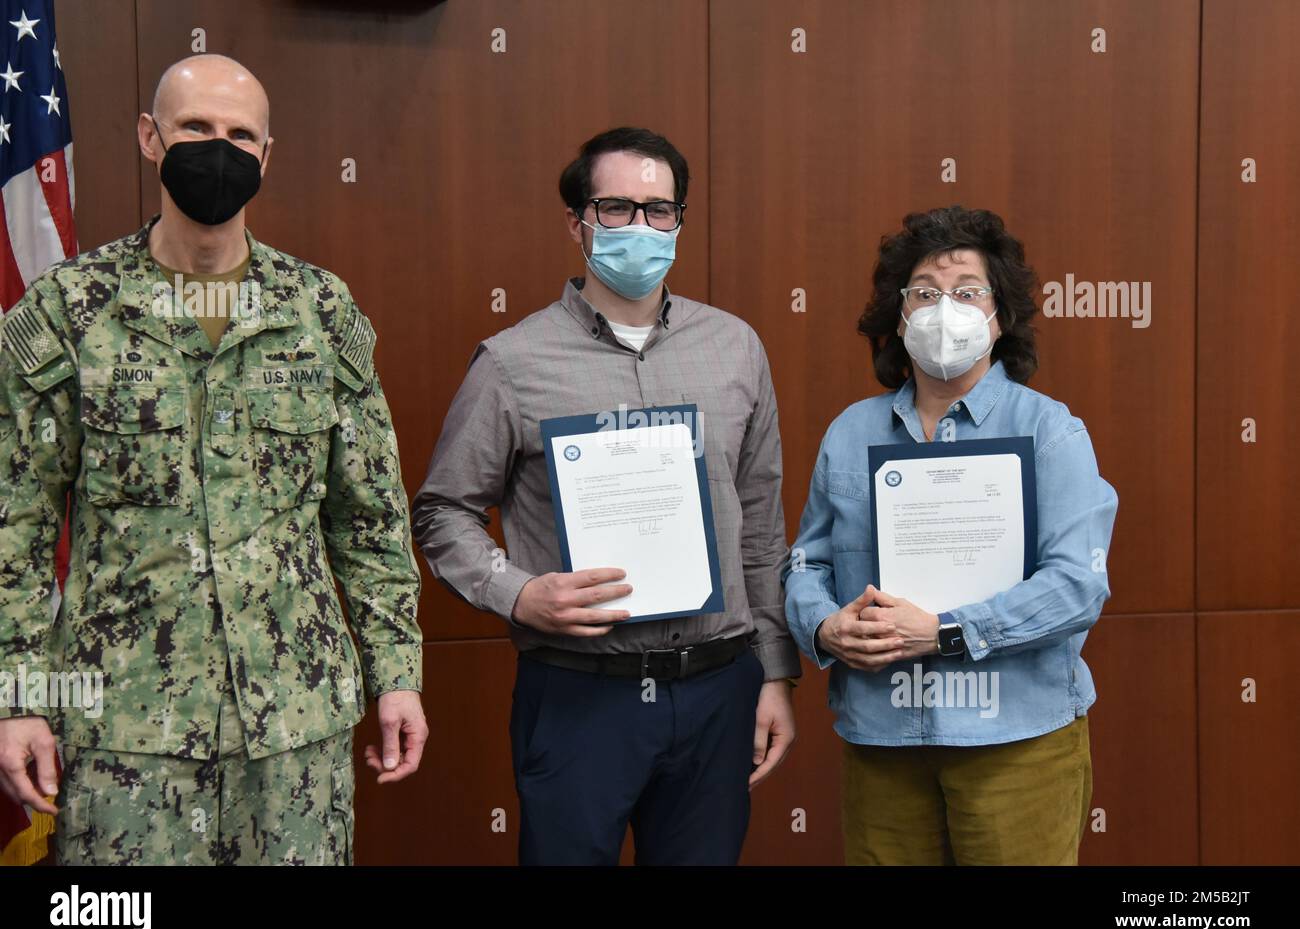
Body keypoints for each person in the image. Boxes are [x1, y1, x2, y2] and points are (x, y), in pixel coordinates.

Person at [0, 54, 427, 864]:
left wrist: (397, 673)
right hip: (125, 735)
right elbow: (11, 524)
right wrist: (18, 698)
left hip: (293, 729)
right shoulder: (67, 311)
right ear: (149, 136)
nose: (217, 148)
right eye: (196, 127)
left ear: (266, 157)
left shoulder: (319, 311)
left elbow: (369, 518)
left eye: (240, 135)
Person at [413, 127, 799, 866]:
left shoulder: (736, 348)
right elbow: (442, 511)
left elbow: (760, 526)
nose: (641, 227)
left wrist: (776, 672)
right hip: (579, 695)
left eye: (660, 210)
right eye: (617, 207)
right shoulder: (513, 361)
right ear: (578, 222)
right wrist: (519, 594)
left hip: (718, 687)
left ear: (680, 221)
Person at [783, 205, 1118, 865]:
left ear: (1001, 315)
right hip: (884, 740)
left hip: (1016, 741)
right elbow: (804, 564)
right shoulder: (852, 430)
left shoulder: (1049, 430)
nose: (945, 309)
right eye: (925, 293)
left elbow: (1078, 584)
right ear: (898, 313)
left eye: (967, 292)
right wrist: (825, 628)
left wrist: (942, 632)